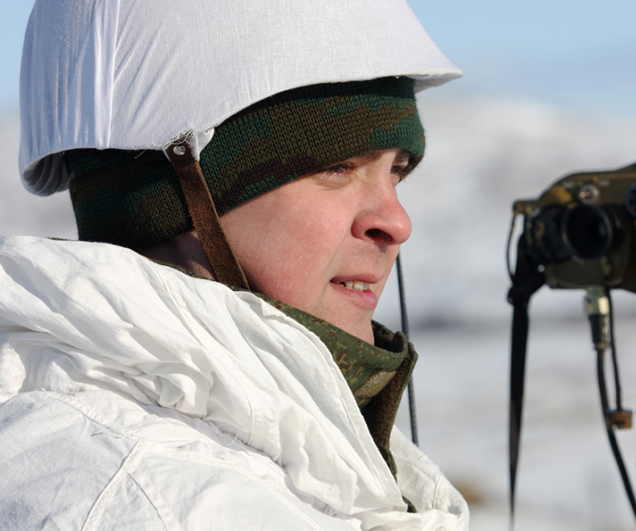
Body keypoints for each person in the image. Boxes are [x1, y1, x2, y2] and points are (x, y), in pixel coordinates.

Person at [0, 1, 468, 529]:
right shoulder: (152, 503)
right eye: (337, 167)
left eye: (398, 172)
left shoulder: (293, 452)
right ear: (174, 194)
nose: (397, 223)